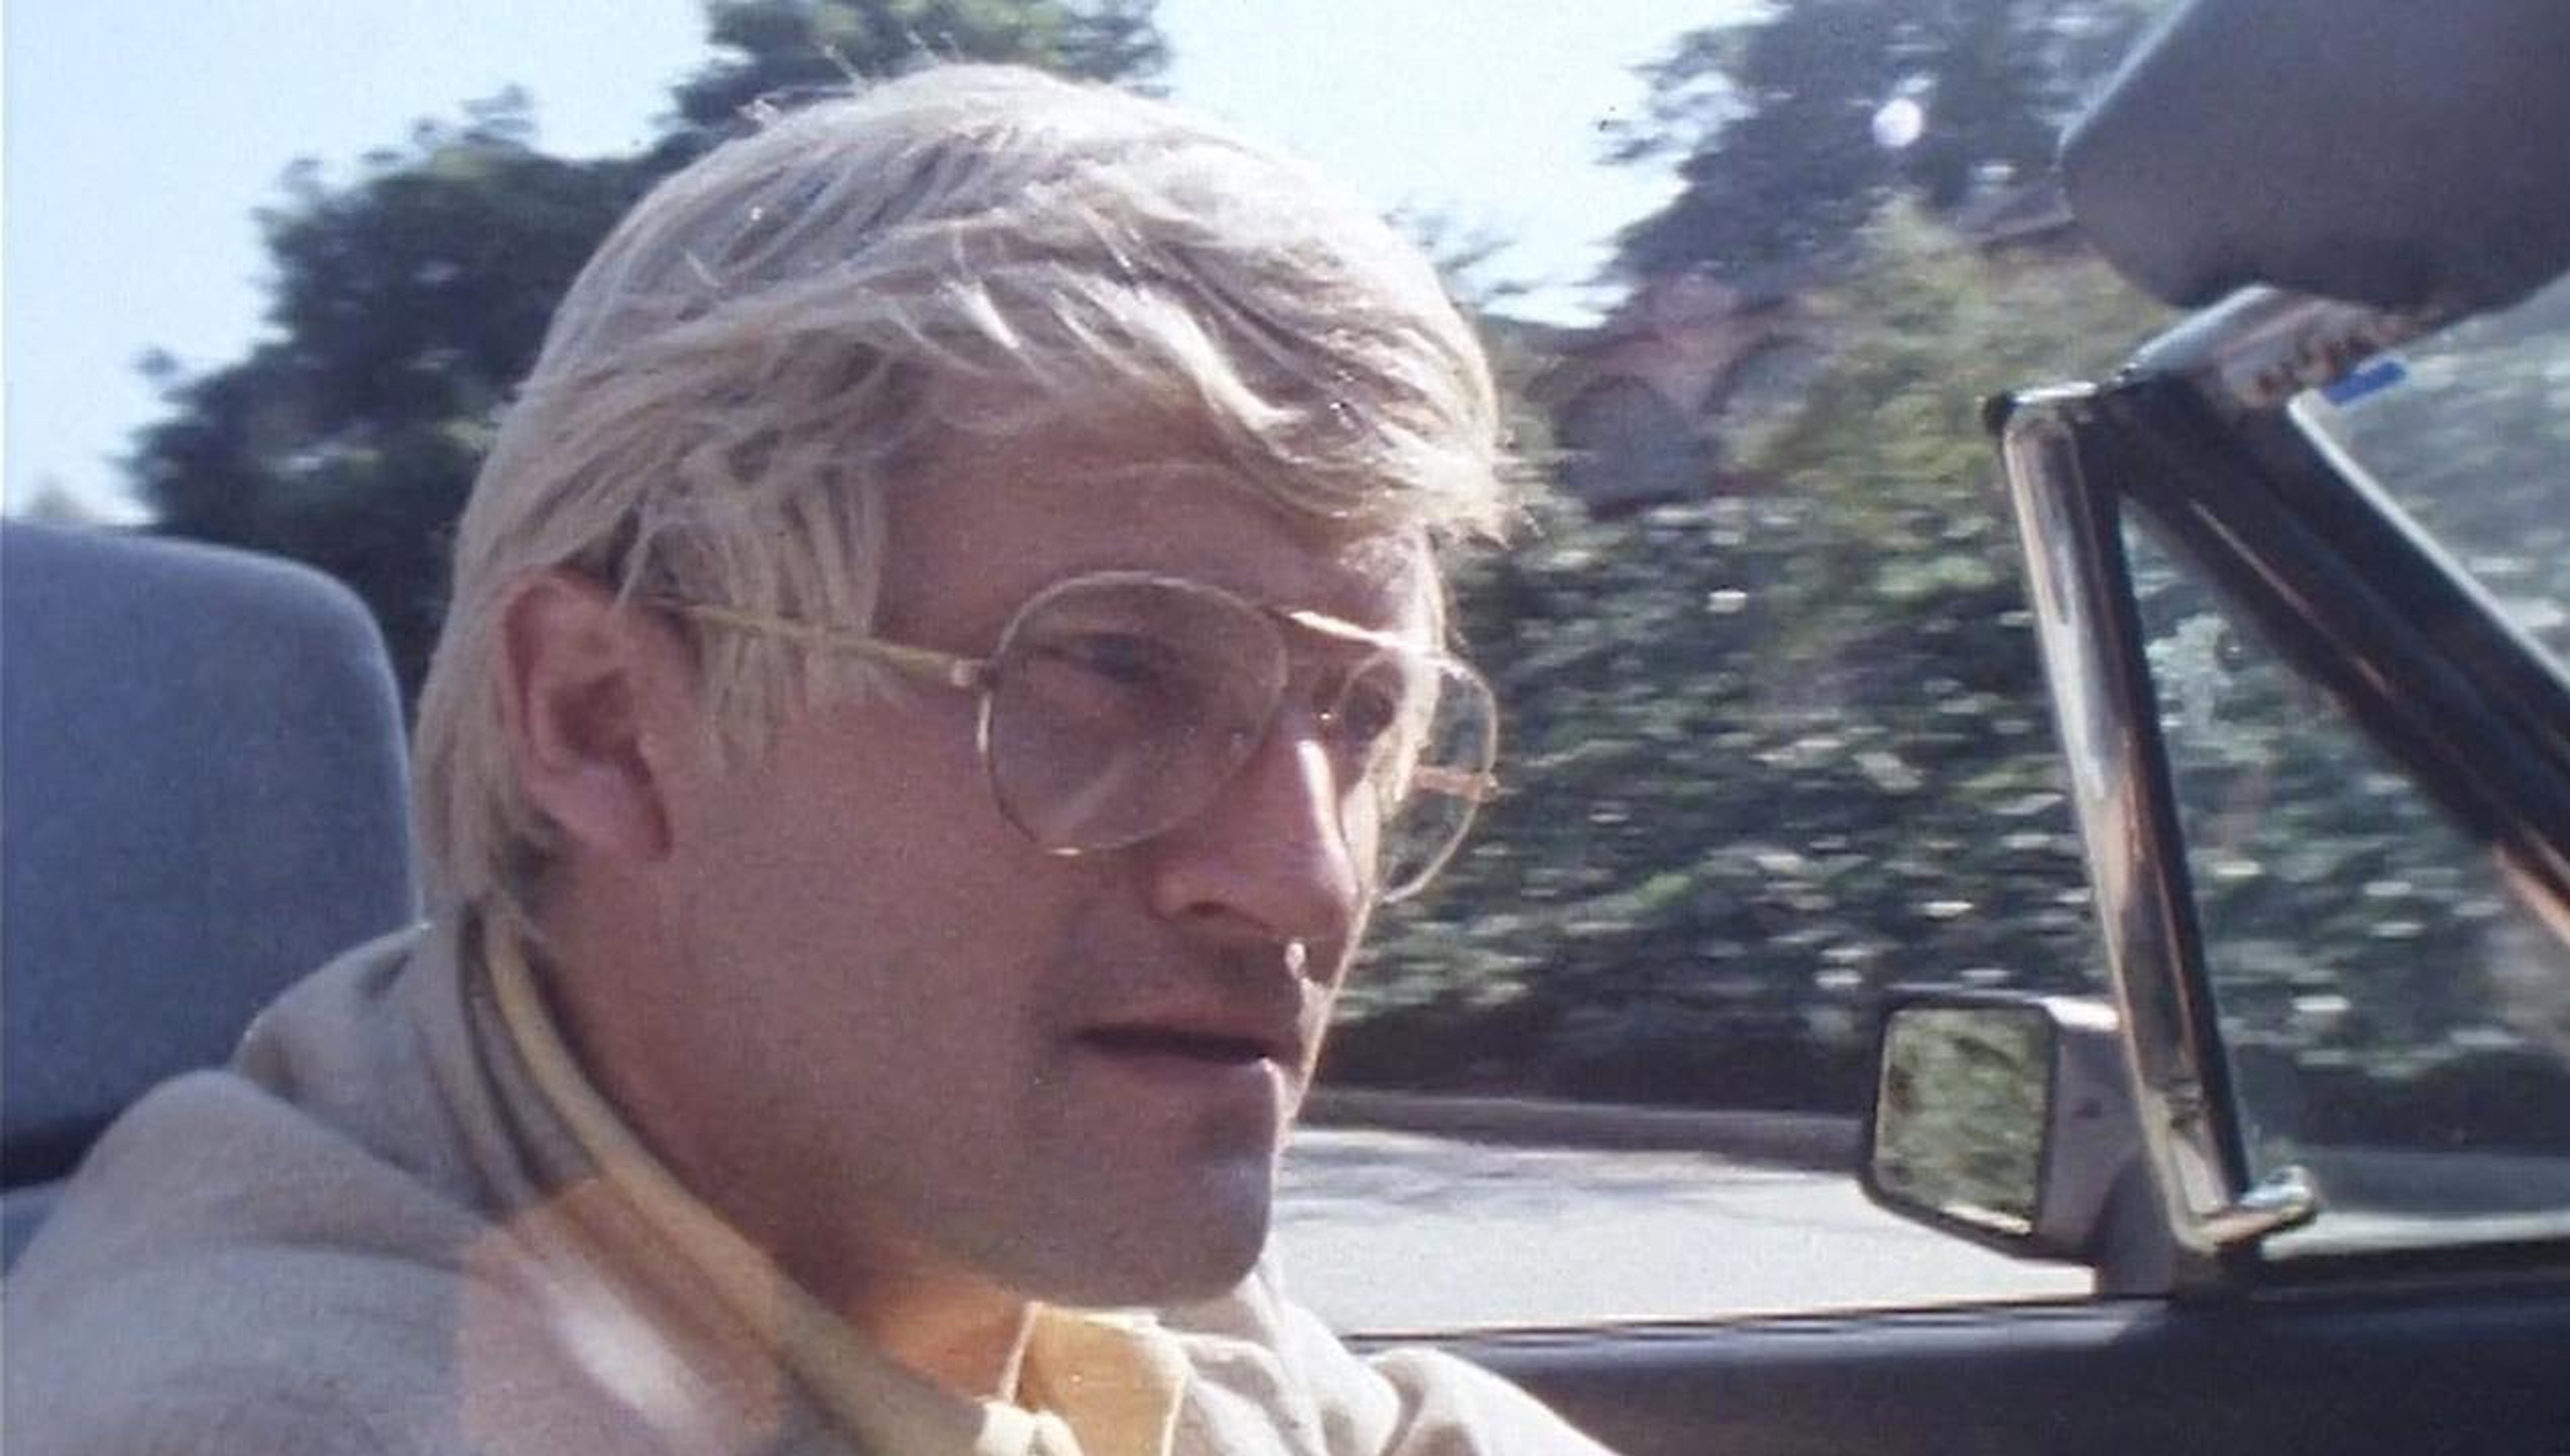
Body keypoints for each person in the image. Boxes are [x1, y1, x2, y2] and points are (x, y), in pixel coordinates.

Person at [3, 64, 1613, 1455]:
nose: (1305, 877)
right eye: (1115, 671)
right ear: (607, 723)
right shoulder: (308, 1408)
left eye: (1364, 721)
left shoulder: (952, 1205)